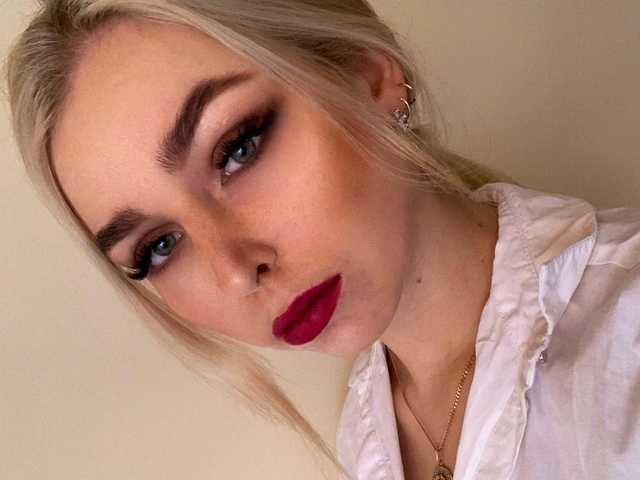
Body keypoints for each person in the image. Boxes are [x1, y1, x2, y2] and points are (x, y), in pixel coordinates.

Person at [5, 1, 639, 479]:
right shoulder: (367, 432)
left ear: (369, 74)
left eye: (237, 149)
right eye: (159, 247)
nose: (234, 272)